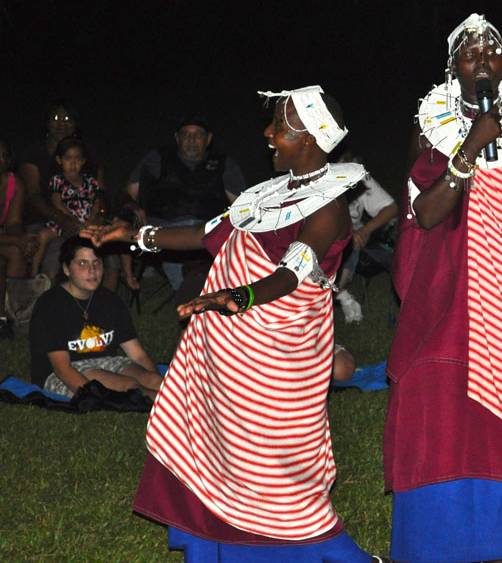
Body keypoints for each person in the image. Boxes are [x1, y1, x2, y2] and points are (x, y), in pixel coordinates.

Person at [86, 86, 379, 561]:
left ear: (309, 140)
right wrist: (138, 236)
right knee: (216, 450)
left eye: (280, 127)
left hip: (275, 359)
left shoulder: (329, 208)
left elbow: (291, 273)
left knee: (273, 466)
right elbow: (206, 234)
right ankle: (213, 543)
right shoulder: (267, 194)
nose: (267, 133)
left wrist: (239, 296)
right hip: (228, 354)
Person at [385, 13, 502, 563]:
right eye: (471, 53)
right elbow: (423, 212)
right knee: (440, 397)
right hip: (455, 287)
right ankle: (440, 536)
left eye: (492, 51)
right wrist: (471, 145)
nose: (483, 59)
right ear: (453, 68)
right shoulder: (431, 128)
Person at [119, 113, 245, 291]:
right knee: (192, 284)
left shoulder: (223, 163)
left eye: (198, 134)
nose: (192, 139)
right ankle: (194, 293)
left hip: (205, 231)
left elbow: (241, 206)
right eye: (186, 134)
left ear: (208, 139)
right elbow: (127, 193)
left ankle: (214, 287)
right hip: (165, 230)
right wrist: (132, 206)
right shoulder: (158, 158)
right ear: (177, 138)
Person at [28, 236, 161, 398]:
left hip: (107, 361)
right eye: (82, 263)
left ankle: (182, 405)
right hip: (65, 372)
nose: (92, 270)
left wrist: (161, 383)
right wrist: (94, 397)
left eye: (97, 262)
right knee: (130, 387)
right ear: (66, 269)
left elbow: (138, 354)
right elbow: (61, 368)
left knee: (152, 380)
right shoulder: (50, 304)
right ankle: (171, 411)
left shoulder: (110, 300)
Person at [17, 102, 112, 285]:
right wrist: (62, 220)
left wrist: (98, 218)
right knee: (55, 254)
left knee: (109, 256)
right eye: (55, 118)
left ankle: (104, 308)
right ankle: (42, 294)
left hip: (87, 220)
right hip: (46, 220)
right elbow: (34, 196)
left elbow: (101, 195)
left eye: (67, 119)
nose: (61, 124)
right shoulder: (34, 153)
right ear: (46, 123)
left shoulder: (90, 152)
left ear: (76, 124)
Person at [31, 138, 105, 279]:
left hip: (86, 222)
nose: (73, 163)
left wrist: (90, 220)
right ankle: (34, 274)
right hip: (65, 220)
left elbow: (97, 202)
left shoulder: (90, 181)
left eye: (77, 158)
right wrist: (71, 219)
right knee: (43, 235)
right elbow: (57, 202)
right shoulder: (58, 180)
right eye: (68, 158)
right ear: (59, 160)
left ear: (83, 161)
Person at [336, 163, 399, 324]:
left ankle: (338, 289)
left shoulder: (357, 175)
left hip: (355, 236)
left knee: (391, 254)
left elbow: (391, 208)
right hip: (323, 238)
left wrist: (366, 230)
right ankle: (341, 295)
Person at [0, 138, 39, 339]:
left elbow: (13, 223)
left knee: (18, 251)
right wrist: (16, 240)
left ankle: (11, 316)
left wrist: (24, 239)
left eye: (3, 154)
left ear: (8, 161)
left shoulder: (15, 184)